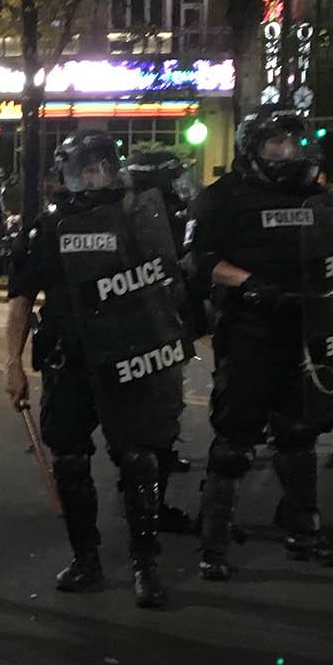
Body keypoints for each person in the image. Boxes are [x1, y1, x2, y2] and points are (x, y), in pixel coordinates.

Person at [6, 132, 191, 610]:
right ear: (65, 176)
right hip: (70, 363)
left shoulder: (138, 220)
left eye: (99, 167)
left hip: (129, 359)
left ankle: (145, 563)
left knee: (138, 459)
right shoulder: (46, 231)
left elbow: (169, 286)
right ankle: (86, 557)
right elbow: (22, 299)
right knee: (69, 460)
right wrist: (13, 363)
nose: (92, 177)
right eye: (82, 170)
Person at [183, 112, 333, 580]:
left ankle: (305, 531)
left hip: (303, 329)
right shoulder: (223, 199)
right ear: (253, 149)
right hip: (249, 330)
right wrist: (250, 283)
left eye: (295, 145)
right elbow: (198, 260)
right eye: (277, 145)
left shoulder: (317, 199)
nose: (288, 154)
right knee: (235, 440)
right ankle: (215, 545)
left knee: (298, 434)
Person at [122, 147, 201, 532]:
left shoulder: (134, 212)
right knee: (157, 418)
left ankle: (146, 492)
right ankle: (149, 504)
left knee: (152, 417)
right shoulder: (149, 216)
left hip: (160, 323)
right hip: (152, 326)